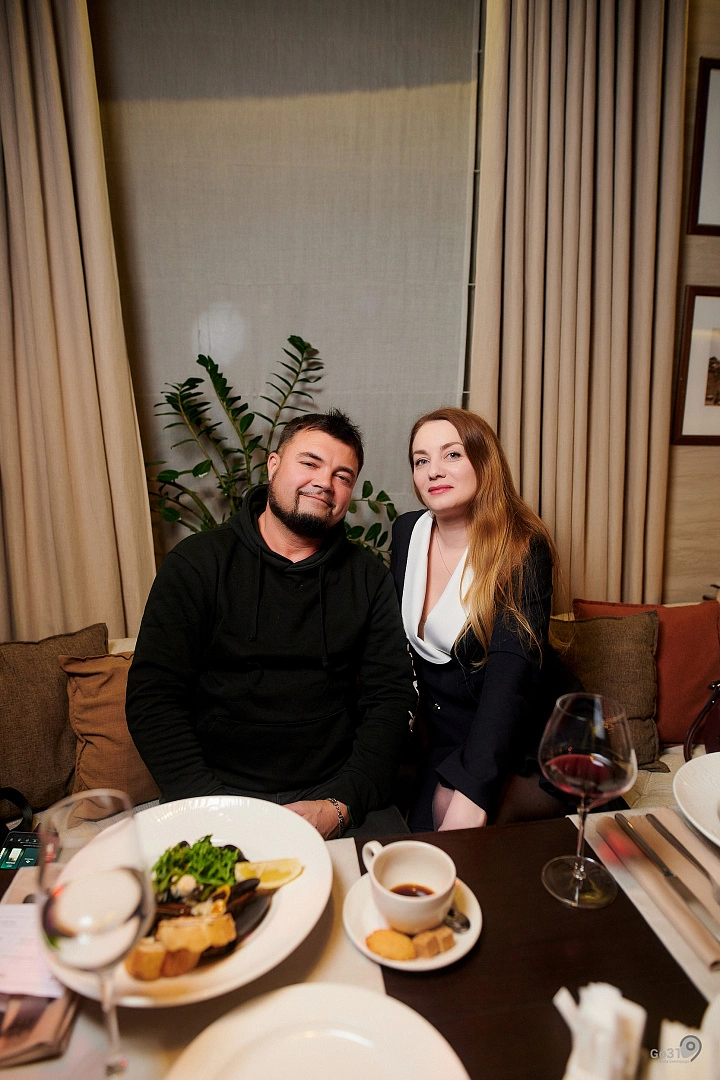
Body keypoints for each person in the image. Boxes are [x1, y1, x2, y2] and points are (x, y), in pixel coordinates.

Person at [126, 409, 415, 839]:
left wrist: (340, 805)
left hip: (332, 791)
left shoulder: (368, 577)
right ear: (273, 465)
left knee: (398, 880)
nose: (325, 482)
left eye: (342, 476)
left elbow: (390, 698)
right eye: (310, 462)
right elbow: (152, 699)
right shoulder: (197, 563)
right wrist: (211, 808)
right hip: (216, 793)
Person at [390, 407, 577, 832]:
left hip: (523, 732)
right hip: (447, 735)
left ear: (483, 462)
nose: (433, 470)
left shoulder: (521, 547)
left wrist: (473, 791)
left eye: (452, 454)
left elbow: (511, 678)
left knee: (458, 824)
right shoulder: (406, 533)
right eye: (421, 460)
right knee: (416, 841)